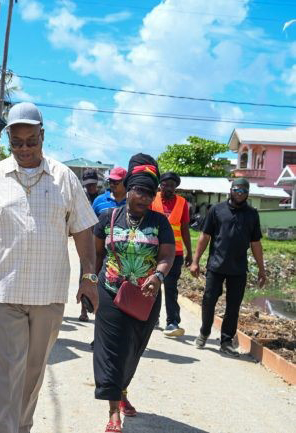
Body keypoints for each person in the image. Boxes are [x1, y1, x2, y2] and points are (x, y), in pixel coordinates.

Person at [0, 102, 98, 433]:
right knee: (9, 370)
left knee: (33, 370)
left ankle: (21, 427)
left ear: (43, 136)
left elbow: (83, 230)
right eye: (17, 143)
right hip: (4, 291)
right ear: (9, 139)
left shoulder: (64, 178)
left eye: (32, 141)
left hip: (49, 294)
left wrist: (89, 277)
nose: (24, 149)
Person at [92, 154, 175, 433]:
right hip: (110, 291)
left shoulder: (160, 222)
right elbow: (96, 255)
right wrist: (90, 283)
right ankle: (113, 411)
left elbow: (166, 255)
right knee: (111, 351)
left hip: (145, 296)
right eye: (139, 190)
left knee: (132, 351)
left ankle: (123, 389)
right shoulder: (108, 217)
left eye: (150, 193)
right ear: (128, 189)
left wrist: (158, 275)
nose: (144, 197)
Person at [190, 178, 266, 357]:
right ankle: (204, 332)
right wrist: (195, 261)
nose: (239, 194)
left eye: (243, 191)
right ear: (231, 190)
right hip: (216, 266)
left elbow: (256, 243)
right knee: (209, 300)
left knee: (233, 306)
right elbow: (204, 236)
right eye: (237, 190)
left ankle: (226, 341)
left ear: (248, 193)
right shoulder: (216, 210)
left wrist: (262, 269)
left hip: (238, 269)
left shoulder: (252, 214)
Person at [150, 172, 193, 337]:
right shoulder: (152, 200)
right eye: (165, 185)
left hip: (175, 253)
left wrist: (189, 252)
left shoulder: (182, 203)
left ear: (176, 187)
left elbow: (184, 229)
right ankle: (153, 318)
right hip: (154, 251)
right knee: (154, 285)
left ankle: (172, 322)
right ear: (160, 185)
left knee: (171, 287)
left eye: (172, 185)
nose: (169, 188)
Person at [79, 169, 101, 322]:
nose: (90, 187)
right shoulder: (81, 197)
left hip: (101, 243)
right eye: (87, 185)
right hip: (87, 243)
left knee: (99, 276)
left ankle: (98, 308)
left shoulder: (102, 198)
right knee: (85, 275)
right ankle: (83, 310)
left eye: (92, 184)